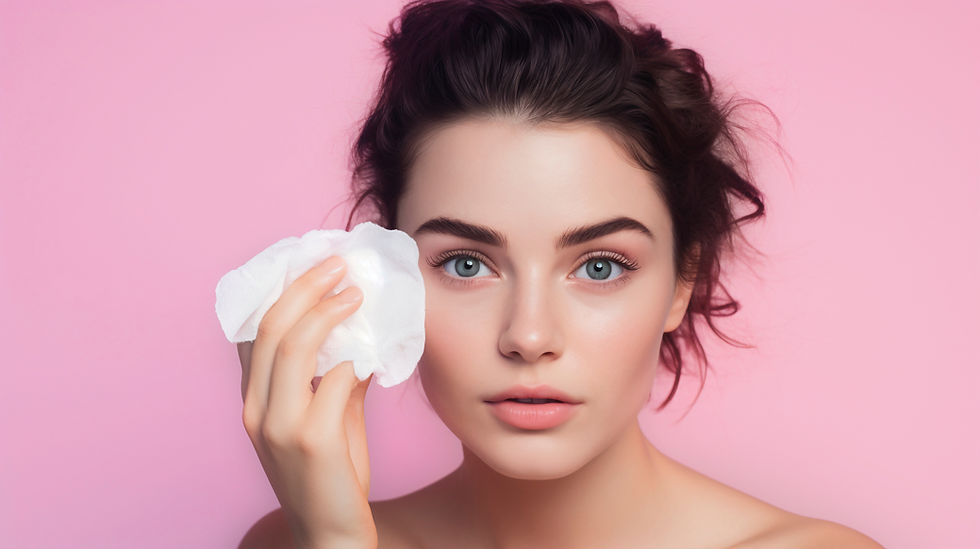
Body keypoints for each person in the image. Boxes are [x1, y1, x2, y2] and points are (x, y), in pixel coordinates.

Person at [236, 0, 885, 547]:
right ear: (388, 279)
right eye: (466, 263)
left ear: (681, 281)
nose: (529, 334)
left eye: (600, 266)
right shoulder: (305, 537)